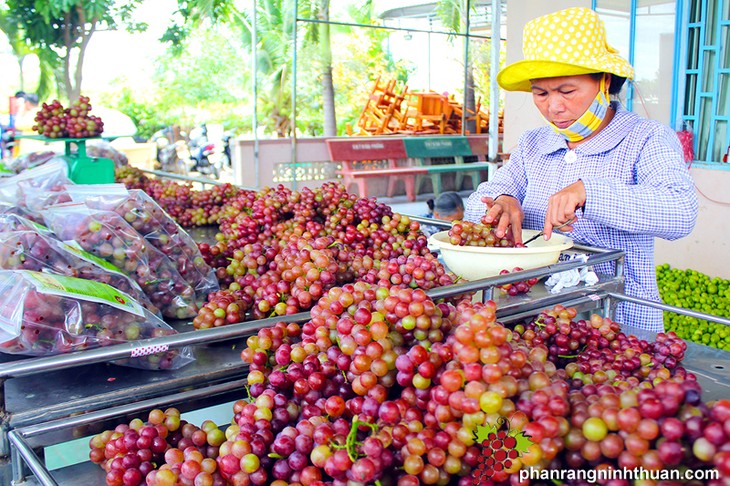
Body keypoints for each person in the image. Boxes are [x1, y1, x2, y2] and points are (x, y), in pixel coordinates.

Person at [464, 7, 698, 332]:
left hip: (618, 322)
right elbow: (479, 202)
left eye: (567, 91)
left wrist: (590, 192)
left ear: (603, 81)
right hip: (538, 318)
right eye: (541, 93)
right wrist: (502, 200)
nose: (554, 106)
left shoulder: (646, 139)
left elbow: (681, 211)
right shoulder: (534, 144)